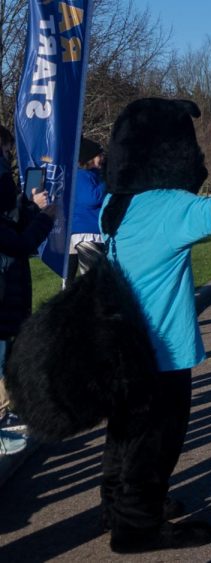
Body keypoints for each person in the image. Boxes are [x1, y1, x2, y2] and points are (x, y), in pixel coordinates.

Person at [99, 100, 211, 552]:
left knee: (123, 432)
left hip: (122, 345)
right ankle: (136, 524)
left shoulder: (115, 205)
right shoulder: (169, 206)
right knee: (158, 439)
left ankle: (115, 504)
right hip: (163, 348)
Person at [0, 125, 55, 455]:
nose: (7, 159)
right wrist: (45, 219)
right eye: (5, 152)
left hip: (9, 286)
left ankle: (10, 411)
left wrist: (31, 206)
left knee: (7, 352)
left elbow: (13, 226)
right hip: (5, 287)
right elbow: (18, 243)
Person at [67, 137, 106, 282]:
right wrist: (106, 182)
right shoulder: (81, 176)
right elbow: (91, 198)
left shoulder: (93, 175)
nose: (102, 158)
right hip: (86, 233)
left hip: (94, 231)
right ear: (89, 157)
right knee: (92, 277)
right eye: (99, 155)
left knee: (97, 275)